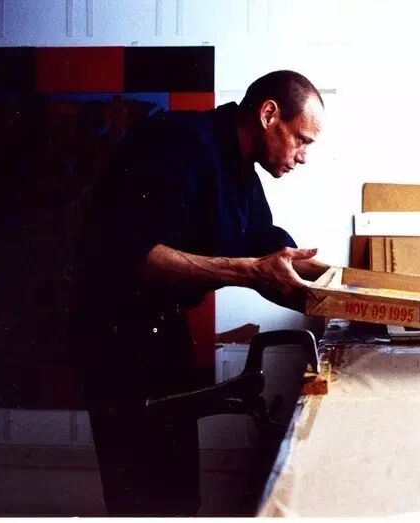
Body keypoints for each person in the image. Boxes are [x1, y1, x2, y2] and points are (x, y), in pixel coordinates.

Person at [70, 70, 328, 516]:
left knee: (179, 494)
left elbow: (269, 250)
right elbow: (137, 255)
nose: (303, 157)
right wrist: (249, 272)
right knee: (141, 498)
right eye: (301, 140)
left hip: (164, 333)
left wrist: (353, 284)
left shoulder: (240, 167)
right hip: (116, 341)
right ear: (269, 115)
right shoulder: (177, 143)